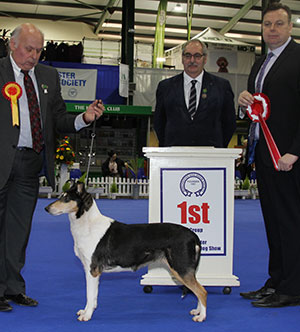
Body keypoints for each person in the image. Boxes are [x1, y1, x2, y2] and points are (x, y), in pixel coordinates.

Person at [0, 23, 104, 312]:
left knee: (19, 231)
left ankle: (13, 288)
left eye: (38, 50)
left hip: (30, 164)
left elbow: (58, 118)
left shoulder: (48, 76)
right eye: (28, 49)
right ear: (12, 44)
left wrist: (84, 116)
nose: (33, 56)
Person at [238, 3, 300, 308]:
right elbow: (259, 110)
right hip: (264, 154)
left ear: (290, 27)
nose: (272, 29)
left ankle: (293, 287)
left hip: (288, 158)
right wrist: (244, 100)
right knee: (273, 222)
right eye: (267, 24)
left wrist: (294, 151)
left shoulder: (298, 58)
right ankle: (276, 280)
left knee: (290, 223)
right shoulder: (260, 63)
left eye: (278, 24)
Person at [153, 39, 236, 148]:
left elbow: (229, 123)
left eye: (197, 56)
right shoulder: (165, 87)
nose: (192, 60)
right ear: (182, 58)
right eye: (188, 56)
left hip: (211, 156)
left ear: (205, 59)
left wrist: (219, 149)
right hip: (175, 156)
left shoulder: (222, 87)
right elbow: (159, 123)